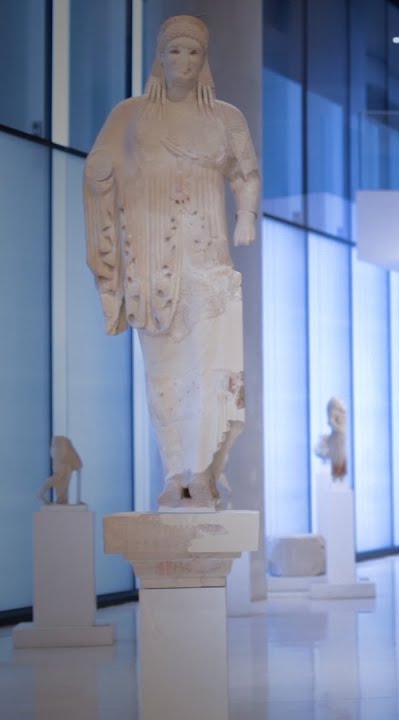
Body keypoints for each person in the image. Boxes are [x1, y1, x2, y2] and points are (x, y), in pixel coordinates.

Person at [84, 15, 260, 509]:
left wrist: (246, 215)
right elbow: (100, 168)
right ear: (159, 57)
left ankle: (202, 472)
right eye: (175, 51)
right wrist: (101, 176)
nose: (184, 61)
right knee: (163, 371)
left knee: (210, 369)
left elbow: (247, 172)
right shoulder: (130, 115)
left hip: (208, 257)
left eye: (193, 53)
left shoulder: (225, 117)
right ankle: (173, 470)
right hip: (150, 259)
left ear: (205, 61)